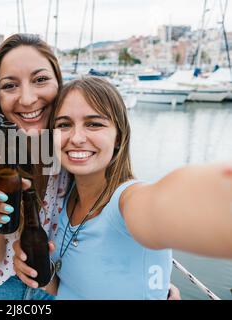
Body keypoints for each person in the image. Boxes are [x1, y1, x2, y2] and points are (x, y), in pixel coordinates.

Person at [0, 35, 181, 300]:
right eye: (10, 85)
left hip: (50, 284)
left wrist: (153, 285)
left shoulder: (65, 150)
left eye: (40, 80)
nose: (28, 98)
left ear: (59, 86)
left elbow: (131, 205)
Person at [13, 77, 232, 299]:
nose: (77, 138)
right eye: (64, 125)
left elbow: (163, 207)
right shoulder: (66, 197)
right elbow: (72, 288)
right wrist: (41, 276)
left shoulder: (129, 201)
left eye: (94, 124)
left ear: (119, 136)